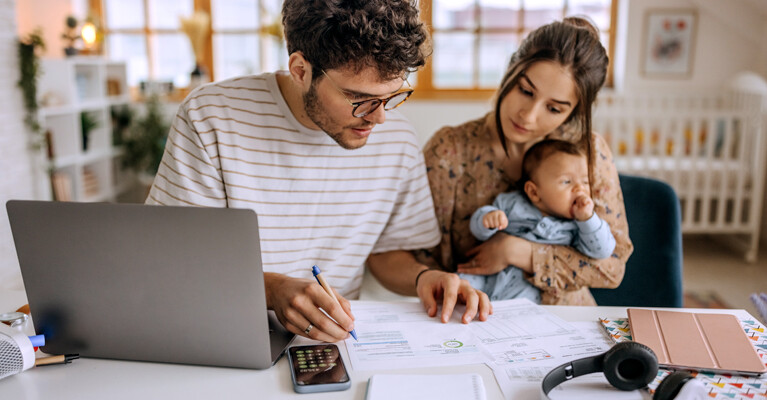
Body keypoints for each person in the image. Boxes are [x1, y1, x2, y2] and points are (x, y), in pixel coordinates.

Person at [146, 0, 492, 343]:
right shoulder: (212, 116)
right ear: (300, 69)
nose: (379, 117)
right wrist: (273, 290)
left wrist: (424, 278)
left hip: (335, 342)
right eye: (359, 98)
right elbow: (174, 261)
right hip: (223, 329)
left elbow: (388, 252)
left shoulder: (397, 138)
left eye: (391, 96)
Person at [421, 16, 634, 305]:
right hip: (472, 318)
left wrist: (518, 252)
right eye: (525, 91)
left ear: (573, 113)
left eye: (554, 108)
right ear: (510, 68)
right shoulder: (449, 151)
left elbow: (612, 267)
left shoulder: (589, 152)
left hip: (566, 324)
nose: (529, 115)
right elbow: (419, 259)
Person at [462, 139, 617, 302]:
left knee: (522, 307)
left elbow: (602, 251)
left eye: (585, 182)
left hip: (526, 286)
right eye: (567, 181)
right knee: (462, 283)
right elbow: (479, 233)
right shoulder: (512, 203)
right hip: (489, 276)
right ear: (534, 192)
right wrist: (487, 220)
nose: (580, 189)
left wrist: (587, 219)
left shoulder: (578, 226)